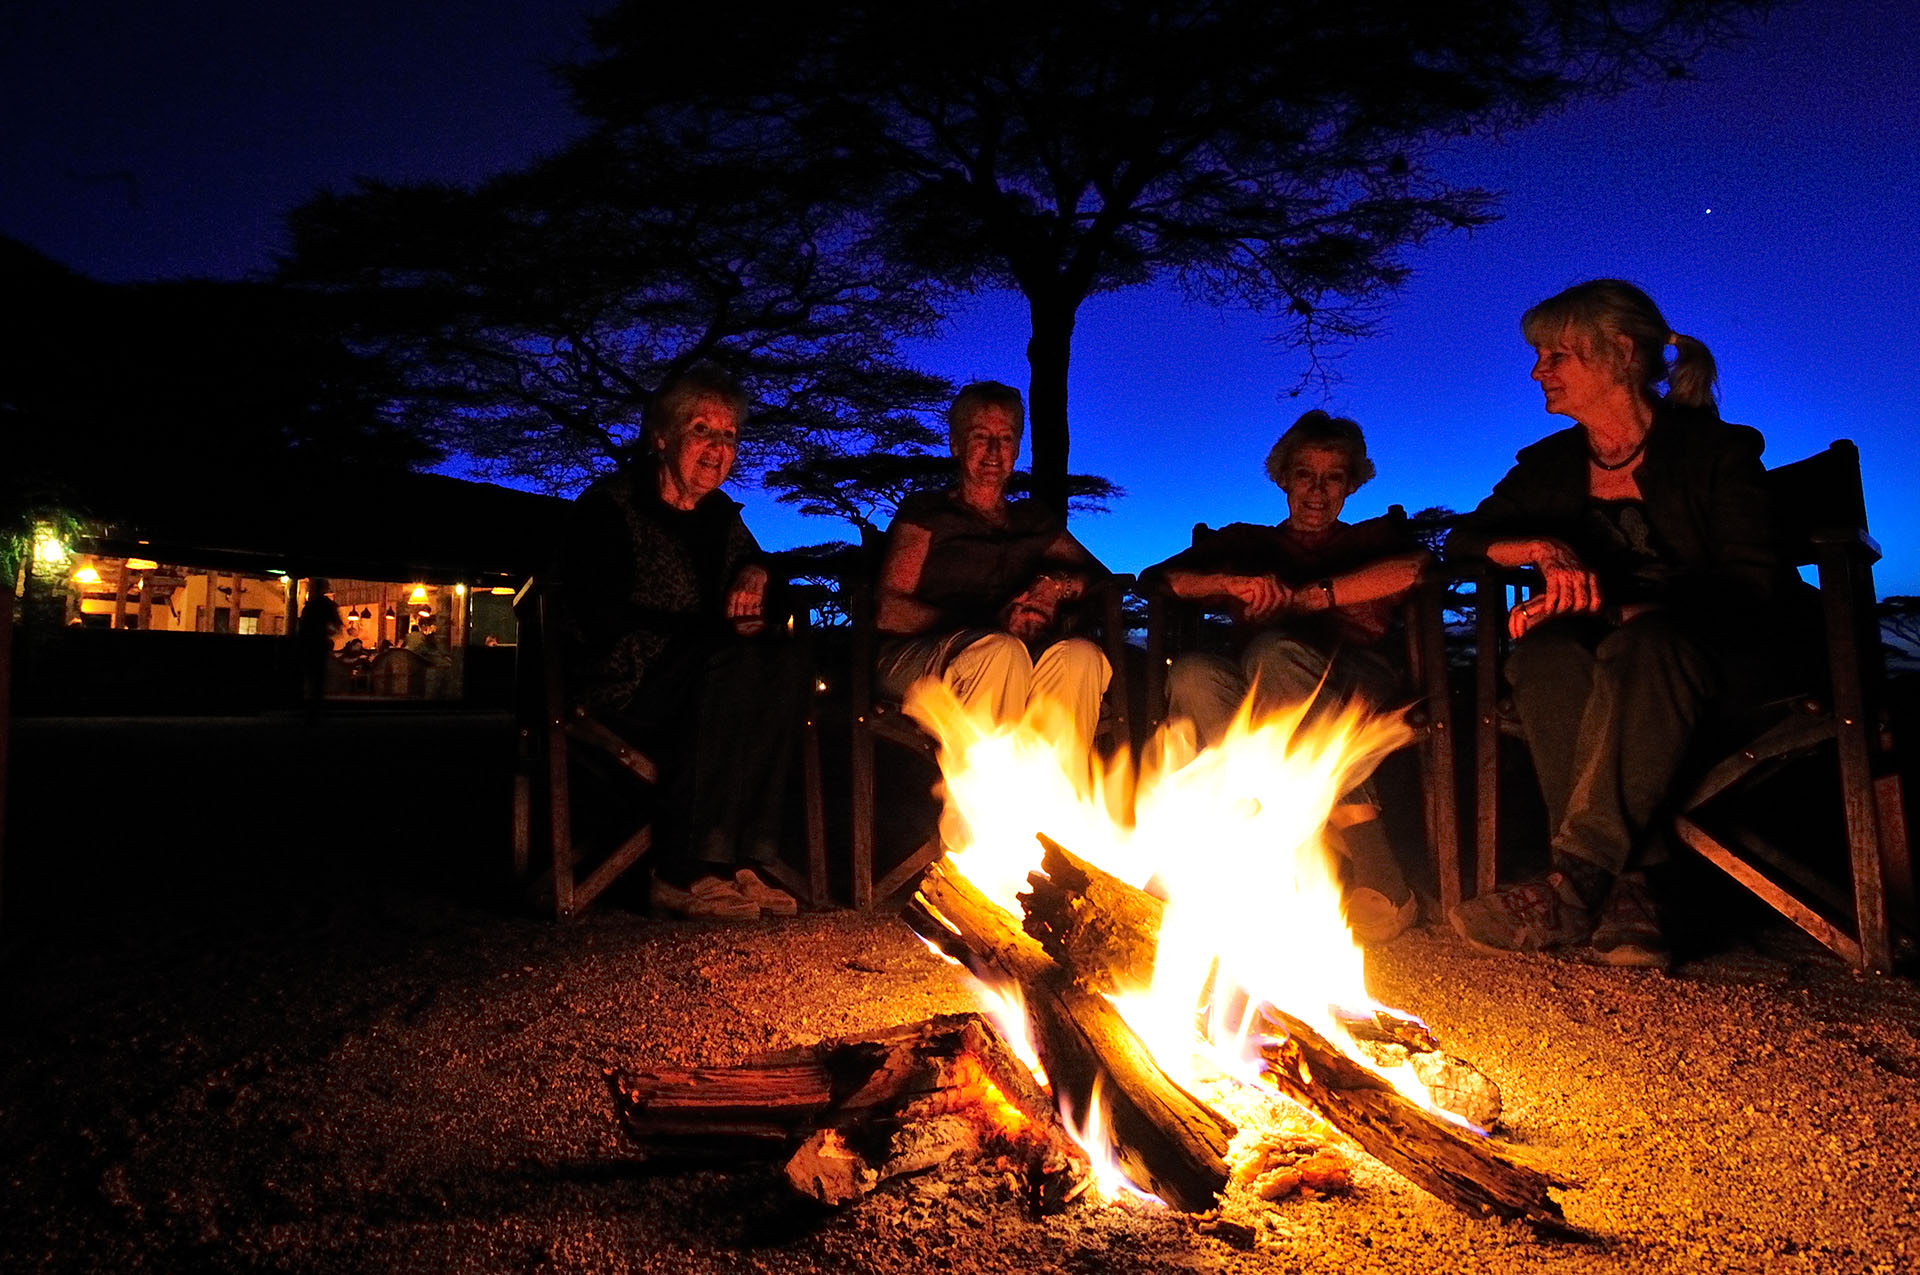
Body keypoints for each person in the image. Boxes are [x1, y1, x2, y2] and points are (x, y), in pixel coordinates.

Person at [1446, 279, 1805, 969]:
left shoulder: (1716, 453)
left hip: (1716, 665)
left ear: (1620, 351)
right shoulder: (1549, 467)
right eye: (1539, 356)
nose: (1537, 370)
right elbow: (1464, 538)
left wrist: (1617, 607)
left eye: (1558, 354)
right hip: (1606, 664)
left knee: (1642, 645)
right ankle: (1634, 887)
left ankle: (1575, 876)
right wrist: (1540, 549)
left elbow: (1751, 584)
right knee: (1546, 652)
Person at [1141, 410, 1430, 944]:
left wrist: (1309, 597)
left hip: (1353, 688)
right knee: (1194, 673)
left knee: (1272, 654)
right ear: (1282, 478)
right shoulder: (1247, 544)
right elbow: (1158, 579)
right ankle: (1253, 846)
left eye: (1333, 477)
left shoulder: (1372, 539)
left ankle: (1378, 868)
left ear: (1351, 483)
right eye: (1304, 475)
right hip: (1252, 704)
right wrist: (1231, 581)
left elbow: (1415, 569)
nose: (1317, 491)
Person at [561, 362, 808, 920]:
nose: (718, 447)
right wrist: (709, 633)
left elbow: (772, 580)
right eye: (702, 430)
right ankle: (683, 869)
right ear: (662, 436)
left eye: (729, 435)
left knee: (784, 661)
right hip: (623, 682)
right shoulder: (610, 509)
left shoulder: (720, 516)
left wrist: (761, 572)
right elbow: (598, 616)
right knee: (730, 661)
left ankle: (745, 859)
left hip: (705, 677)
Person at [874, 381, 1111, 747]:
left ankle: (1058, 797)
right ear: (955, 444)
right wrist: (985, 625)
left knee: (1079, 658)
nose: (993, 452)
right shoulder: (928, 513)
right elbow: (888, 610)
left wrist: (1054, 586)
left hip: (1015, 655)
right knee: (999, 653)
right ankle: (978, 803)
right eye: (980, 437)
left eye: (1006, 438)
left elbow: (1103, 580)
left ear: (1017, 449)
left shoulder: (1033, 521)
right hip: (919, 655)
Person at [297, 577, 344, 714]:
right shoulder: (327, 604)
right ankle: (315, 705)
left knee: (308, 674)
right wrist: (328, 632)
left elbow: (301, 625)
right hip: (318, 643)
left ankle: (307, 705)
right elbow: (337, 625)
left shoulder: (309, 606)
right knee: (318, 675)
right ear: (325, 588)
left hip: (306, 643)